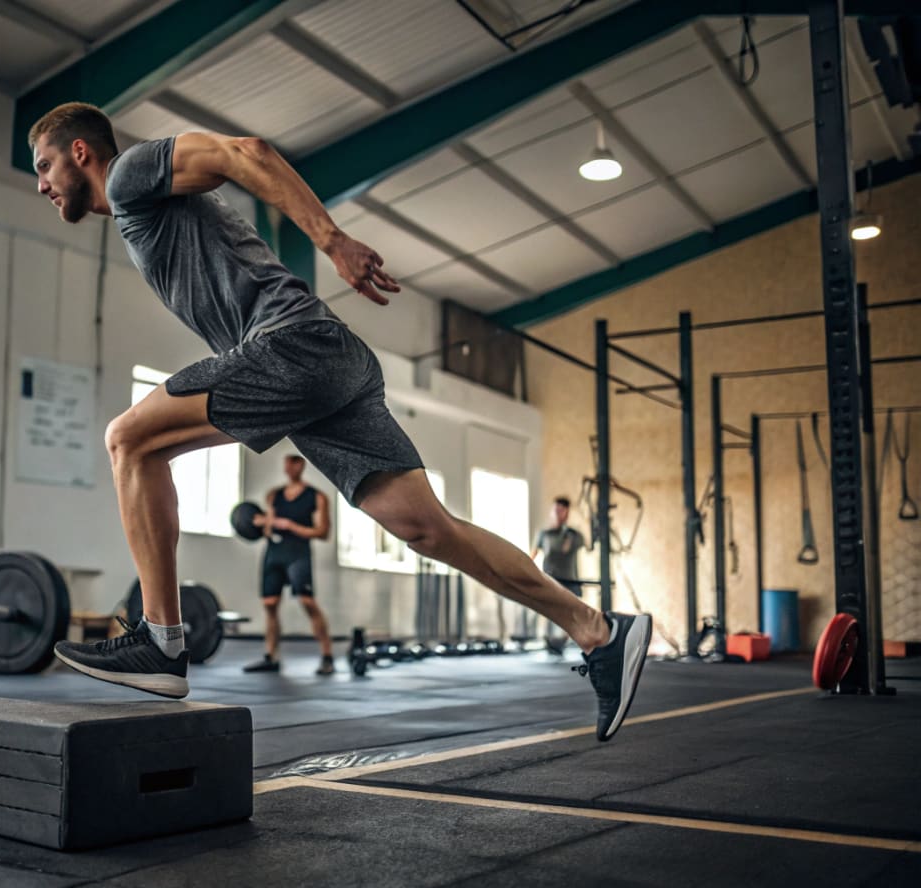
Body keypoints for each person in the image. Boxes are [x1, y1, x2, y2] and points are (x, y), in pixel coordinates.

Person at [38, 102, 651, 741]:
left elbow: (245, 152)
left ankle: (160, 640)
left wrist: (330, 241)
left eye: (45, 165)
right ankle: (598, 630)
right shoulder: (142, 207)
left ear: (82, 152)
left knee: (129, 441)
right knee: (428, 529)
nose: (42, 184)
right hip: (328, 362)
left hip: (293, 345)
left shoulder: (133, 171)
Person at [243, 454, 335, 676]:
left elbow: (322, 532)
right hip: (274, 552)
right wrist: (260, 522)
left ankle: (327, 656)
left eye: (294, 462)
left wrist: (291, 525)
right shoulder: (274, 496)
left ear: (301, 465)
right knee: (270, 604)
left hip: (298, 552)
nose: (289, 467)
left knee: (307, 602)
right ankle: (271, 656)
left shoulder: (317, 497)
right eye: (286, 462)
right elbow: (267, 528)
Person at [532, 496, 587, 652]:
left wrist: (567, 533)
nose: (557, 513)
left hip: (569, 581)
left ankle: (563, 640)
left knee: (569, 614)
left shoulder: (574, 535)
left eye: (561, 510)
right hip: (549, 580)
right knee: (550, 612)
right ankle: (549, 641)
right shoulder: (544, 535)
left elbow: (566, 550)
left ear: (567, 513)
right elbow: (533, 555)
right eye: (555, 510)